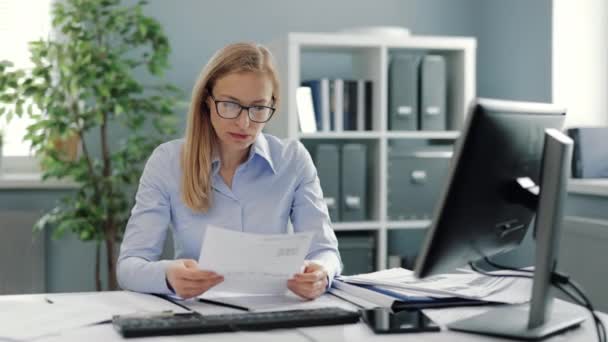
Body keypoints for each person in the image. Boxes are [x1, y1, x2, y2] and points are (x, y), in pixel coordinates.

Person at [117, 42, 342, 300]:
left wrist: (321, 273)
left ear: (272, 105)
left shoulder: (292, 160)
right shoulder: (167, 162)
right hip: (198, 314)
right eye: (230, 105)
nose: (244, 122)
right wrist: (168, 276)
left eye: (258, 107)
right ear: (207, 101)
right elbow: (129, 266)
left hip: (274, 312)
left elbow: (326, 252)